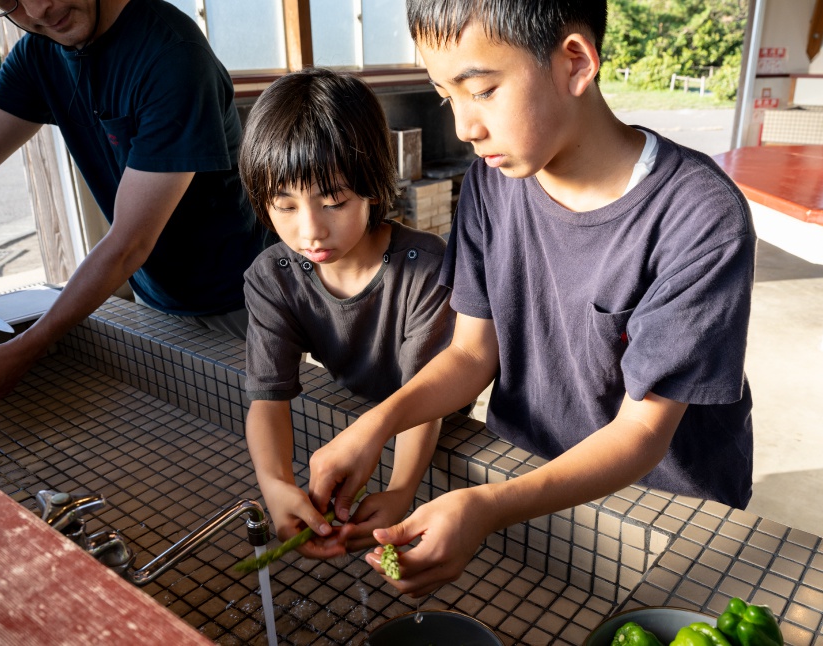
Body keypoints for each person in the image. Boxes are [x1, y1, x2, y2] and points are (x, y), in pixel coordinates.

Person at [306, 0, 757, 597]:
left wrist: (488, 508)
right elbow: (471, 354)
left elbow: (643, 434)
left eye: (483, 89)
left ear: (575, 62)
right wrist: (376, 425)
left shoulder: (698, 216)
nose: (464, 126)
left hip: (666, 506)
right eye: (447, 97)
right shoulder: (493, 184)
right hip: (528, 475)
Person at [0, 0, 267, 404]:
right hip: (154, 289)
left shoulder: (171, 54)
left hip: (237, 295)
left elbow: (129, 243)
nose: (38, 10)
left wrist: (26, 347)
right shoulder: (39, 53)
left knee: (252, 430)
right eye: (7, 1)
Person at [239, 68, 455, 558]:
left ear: (373, 185)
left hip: (432, 407)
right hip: (362, 407)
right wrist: (274, 485)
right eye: (285, 206)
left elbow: (426, 397)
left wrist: (401, 490)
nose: (310, 230)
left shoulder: (425, 268)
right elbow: (266, 398)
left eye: (332, 201)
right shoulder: (273, 275)